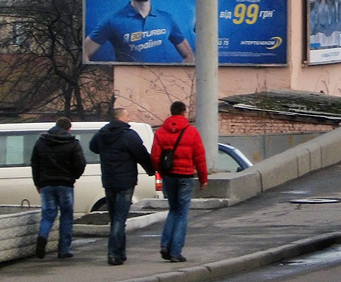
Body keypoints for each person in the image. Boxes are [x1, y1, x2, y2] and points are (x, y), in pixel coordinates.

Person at [83, 0, 195, 64]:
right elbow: (84, 52)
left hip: (161, 84)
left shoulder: (167, 18)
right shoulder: (112, 21)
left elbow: (189, 55)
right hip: (129, 84)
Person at [89, 108, 156, 266]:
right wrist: (151, 170)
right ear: (121, 118)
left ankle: (120, 253)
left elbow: (93, 147)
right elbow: (141, 154)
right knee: (120, 219)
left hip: (109, 181)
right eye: (127, 115)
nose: (129, 118)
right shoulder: (128, 135)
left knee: (115, 218)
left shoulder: (102, 134)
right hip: (125, 182)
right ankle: (114, 253)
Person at [152, 101, 208, 263]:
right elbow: (200, 158)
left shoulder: (161, 132)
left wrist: (162, 172)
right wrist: (203, 179)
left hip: (169, 176)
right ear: (183, 113)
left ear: (171, 112)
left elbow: (155, 157)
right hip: (185, 176)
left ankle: (165, 244)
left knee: (173, 210)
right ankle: (175, 252)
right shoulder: (192, 132)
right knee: (182, 213)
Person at [30, 117, 86, 260]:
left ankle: (42, 237)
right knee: (66, 216)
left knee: (48, 215)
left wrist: (38, 183)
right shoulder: (72, 143)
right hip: (65, 184)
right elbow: (81, 163)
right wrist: (73, 176)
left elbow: (34, 163)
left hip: (46, 184)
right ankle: (64, 250)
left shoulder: (41, 142)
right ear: (68, 128)